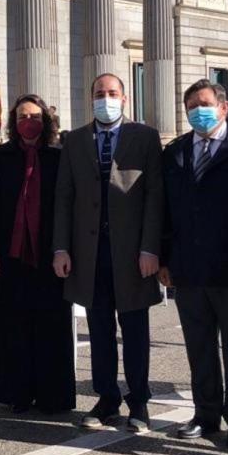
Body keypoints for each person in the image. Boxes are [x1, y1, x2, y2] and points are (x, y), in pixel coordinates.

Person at [53, 73, 163, 433]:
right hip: (89, 253)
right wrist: (61, 248)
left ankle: (139, 402)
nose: (106, 99)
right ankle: (106, 398)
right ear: (91, 99)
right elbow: (64, 198)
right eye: (99, 93)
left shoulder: (144, 137)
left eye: (112, 93)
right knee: (99, 330)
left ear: (125, 98)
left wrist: (150, 247)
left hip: (132, 254)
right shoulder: (75, 140)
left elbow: (154, 198)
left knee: (134, 330)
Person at [159, 79, 228, 450]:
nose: (196, 111)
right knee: (198, 346)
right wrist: (165, 258)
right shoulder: (175, 152)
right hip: (188, 268)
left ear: (223, 107)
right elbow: (165, 211)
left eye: (203, 104)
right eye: (190, 106)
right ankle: (205, 414)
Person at [0, 94, 76, 414]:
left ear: (46, 121)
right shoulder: (0, 156)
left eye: (36, 116)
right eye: (23, 116)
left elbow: (69, 205)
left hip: (50, 254)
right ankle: (18, 393)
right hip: (11, 255)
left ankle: (53, 395)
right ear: (14, 120)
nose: (30, 122)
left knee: (52, 324)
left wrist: (64, 249)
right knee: (15, 324)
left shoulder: (59, 156)